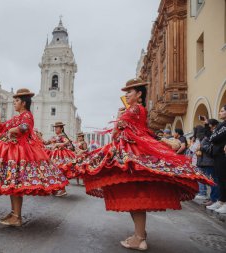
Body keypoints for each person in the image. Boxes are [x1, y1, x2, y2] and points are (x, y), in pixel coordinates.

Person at [76, 78, 212, 250]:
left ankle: (139, 238)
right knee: (134, 194)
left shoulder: (132, 109)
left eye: (129, 92)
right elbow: (143, 132)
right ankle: (139, 234)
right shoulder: (139, 109)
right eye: (125, 93)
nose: (126, 95)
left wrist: (119, 118)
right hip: (136, 151)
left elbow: (116, 133)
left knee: (134, 195)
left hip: (131, 153)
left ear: (139, 94)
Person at [0, 88, 68, 226]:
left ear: (23, 103)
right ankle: (14, 213)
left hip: (20, 152)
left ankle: (17, 216)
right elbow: (1, 128)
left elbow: (25, 127)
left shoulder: (27, 115)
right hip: (13, 150)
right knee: (13, 183)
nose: (14, 103)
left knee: (16, 183)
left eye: (16, 101)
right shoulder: (17, 117)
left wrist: (13, 130)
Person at [43, 122, 78, 197]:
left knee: (59, 171)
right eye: (55, 127)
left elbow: (67, 141)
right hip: (53, 155)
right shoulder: (54, 137)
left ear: (61, 128)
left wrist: (59, 144)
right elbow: (45, 142)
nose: (55, 128)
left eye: (57, 127)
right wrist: (38, 136)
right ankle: (56, 188)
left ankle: (62, 189)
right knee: (53, 171)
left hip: (61, 156)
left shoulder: (62, 136)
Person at [208, 106, 226, 214]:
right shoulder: (221, 124)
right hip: (218, 154)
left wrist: (213, 137)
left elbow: (214, 138)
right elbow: (212, 137)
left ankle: (224, 202)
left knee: (224, 179)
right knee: (220, 179)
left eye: (223, 111)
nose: (220, 113)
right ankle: (220, 200)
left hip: (222, 154)